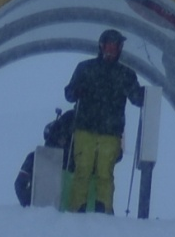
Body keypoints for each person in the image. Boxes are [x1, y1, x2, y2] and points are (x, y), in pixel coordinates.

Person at [61, 28, 144, 214]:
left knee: (104, 174)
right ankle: (77, 210)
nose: (111, 51)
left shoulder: (125, 74)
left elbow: (136, 98)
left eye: (115, 47)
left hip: (110, 133)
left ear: (120, 49)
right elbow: (69, 94)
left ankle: (103, 212)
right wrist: (75, 91)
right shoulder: (86, 68)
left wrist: (144, 95)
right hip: (86, 129)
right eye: (109, 47)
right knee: (83, 171)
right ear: (101, 46)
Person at [14, 108, 74, 205]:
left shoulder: (36, 157)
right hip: (51, 211)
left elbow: (20, 185)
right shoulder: (36, 157)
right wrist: (32, 204)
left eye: (64, 138)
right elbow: (20, 185)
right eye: (59, 137)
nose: (62, 141)